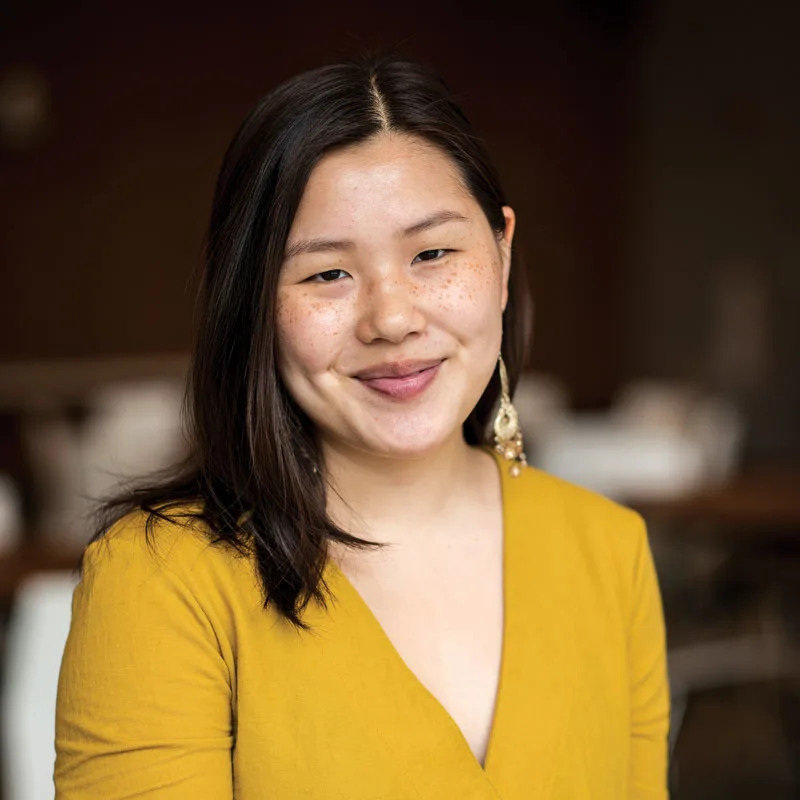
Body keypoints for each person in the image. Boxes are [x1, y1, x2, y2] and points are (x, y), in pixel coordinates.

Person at [54, 54, 670, 798]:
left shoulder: (610, 550)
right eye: (327, 274)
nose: (393, 318)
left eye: (433, 254)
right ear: (255, 302)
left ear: (502, 257)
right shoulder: (161, 581)